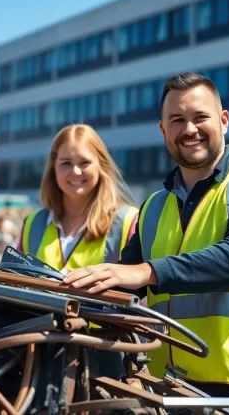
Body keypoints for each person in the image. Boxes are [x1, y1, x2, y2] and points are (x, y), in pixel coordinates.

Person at [63, 73, 229, 414]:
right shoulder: (154, 206)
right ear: (163, 130)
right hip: (167, 389)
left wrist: (147, 271)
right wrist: (62, 289)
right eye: (177, 120)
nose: (189, 129)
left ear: (224, 120)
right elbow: (123, 284)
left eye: (200, 117)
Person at [16, 123, 140, 378]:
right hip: (40, 356)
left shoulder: (129, 222)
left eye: (84, 162)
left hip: (107, 359)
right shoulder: (33, 224)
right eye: (65, 163)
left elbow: (143, 299)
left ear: (101, 165)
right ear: (53, 167)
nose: (75, 171)